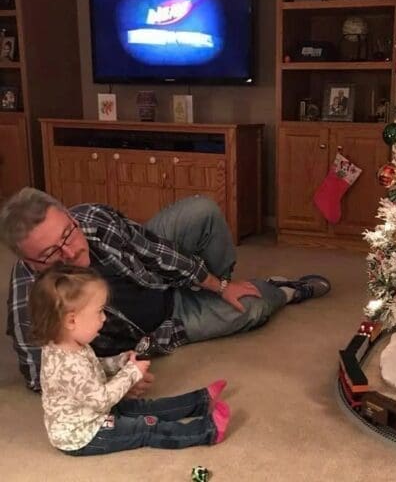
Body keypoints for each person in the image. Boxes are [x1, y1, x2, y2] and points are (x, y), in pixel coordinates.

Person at [0, 188, 331, 393]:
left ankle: (213, 289)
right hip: (162, 325)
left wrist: (221, 285)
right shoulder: (28, 295)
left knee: (201, 212)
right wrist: (115, 378)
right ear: (29, 260)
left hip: (159, 282)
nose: (70, 252)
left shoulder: (92, 220)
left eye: (68, 234)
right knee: (254, 308)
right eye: (50, 254)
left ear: (70, 216)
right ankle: (284, 290)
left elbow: (153, 251)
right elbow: (39, 376)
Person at [29, 264, 230, 455]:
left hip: (92, 412)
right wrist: (131, 373)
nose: (104, 318)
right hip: (86, 433)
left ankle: (200, 401)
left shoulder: (67, 344)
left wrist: (119, 362)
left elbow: (93, 368)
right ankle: (206, 431)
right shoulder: (67, 364)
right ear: (71, 320)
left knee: (142, 408)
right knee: (145, 427)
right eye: (99, 312)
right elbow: (101, 400)